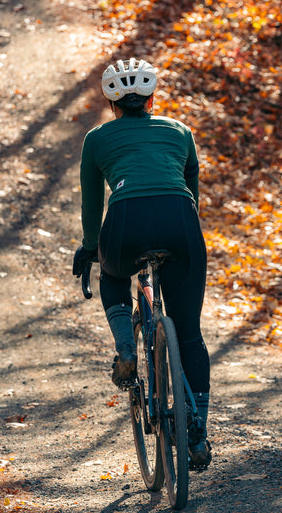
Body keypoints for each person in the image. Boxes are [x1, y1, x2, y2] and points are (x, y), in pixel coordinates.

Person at [73, 58, 212, 469]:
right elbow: (192, 190)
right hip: (180, 222)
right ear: (153, 98)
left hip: (125, 221)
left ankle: (123, 345)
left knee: (112, 274)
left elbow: (91, 201)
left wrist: (89, 247)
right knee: (189, 333)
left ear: (111, 103)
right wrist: (183, 237)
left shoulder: (97, 139)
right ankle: (198, 429)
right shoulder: (179, 131)